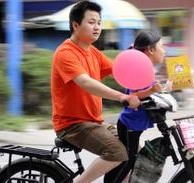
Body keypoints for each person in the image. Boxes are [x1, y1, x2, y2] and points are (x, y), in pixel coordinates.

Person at [50, 1, 140, 183]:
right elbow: (85, 82)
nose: (97, 27)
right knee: (116, 152)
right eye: (91, 22)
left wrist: (145, 78)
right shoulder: (65, 53)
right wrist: (122, 97)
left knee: (134, 147)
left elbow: (119, 71)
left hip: (93, 122)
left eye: (99, 22)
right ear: (76, 25)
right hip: (72, 125)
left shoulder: (93, 52)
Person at [104, 31, 170, 183]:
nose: (164, 50)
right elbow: (133, 95)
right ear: (150, 50)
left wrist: (164, 88)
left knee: (125, 162)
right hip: (130, 125)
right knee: (128, 162)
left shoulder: (146, 68)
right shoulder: (139, 68)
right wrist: (153, 90)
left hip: (134, 124)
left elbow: (147, 91)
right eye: (161, 46)